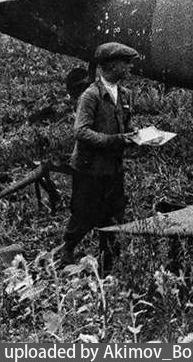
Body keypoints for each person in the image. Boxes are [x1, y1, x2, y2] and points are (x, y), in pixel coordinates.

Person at [60, 41, 139, 271]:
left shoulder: (125, 94)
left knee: (114, 213)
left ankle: (108, 260)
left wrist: (135, 137)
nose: (129, 68)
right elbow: (80, 131)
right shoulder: (91, 96)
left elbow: (124, 125)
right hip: (90, 168)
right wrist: (113, 140)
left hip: (113, 167)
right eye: (126, 63)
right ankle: (67, 250)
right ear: (112, 65)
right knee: (84, 213)